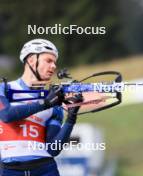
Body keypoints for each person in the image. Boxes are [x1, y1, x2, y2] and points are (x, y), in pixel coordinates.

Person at [0, 38, 82, 176]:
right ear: (32, 60)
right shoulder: (4, 89)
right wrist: (45, 103)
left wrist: (71, 118)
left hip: (45, 169)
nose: (54, 66)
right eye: (49, 61)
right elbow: (6, 115)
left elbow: (53, 149)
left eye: (55, 62)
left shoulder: (55, 101)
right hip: (10, 170)